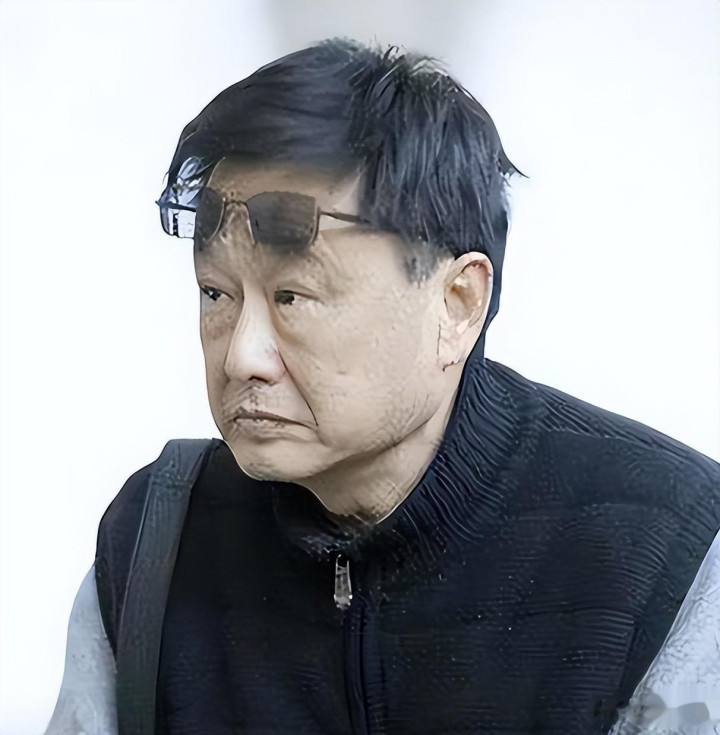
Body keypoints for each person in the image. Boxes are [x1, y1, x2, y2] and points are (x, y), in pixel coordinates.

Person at [44, 38, 720, 735]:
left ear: (457, 304)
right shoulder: (156, 541)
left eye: (292, 297)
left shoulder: (668, 552)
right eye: (216, 292)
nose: (242, 355)